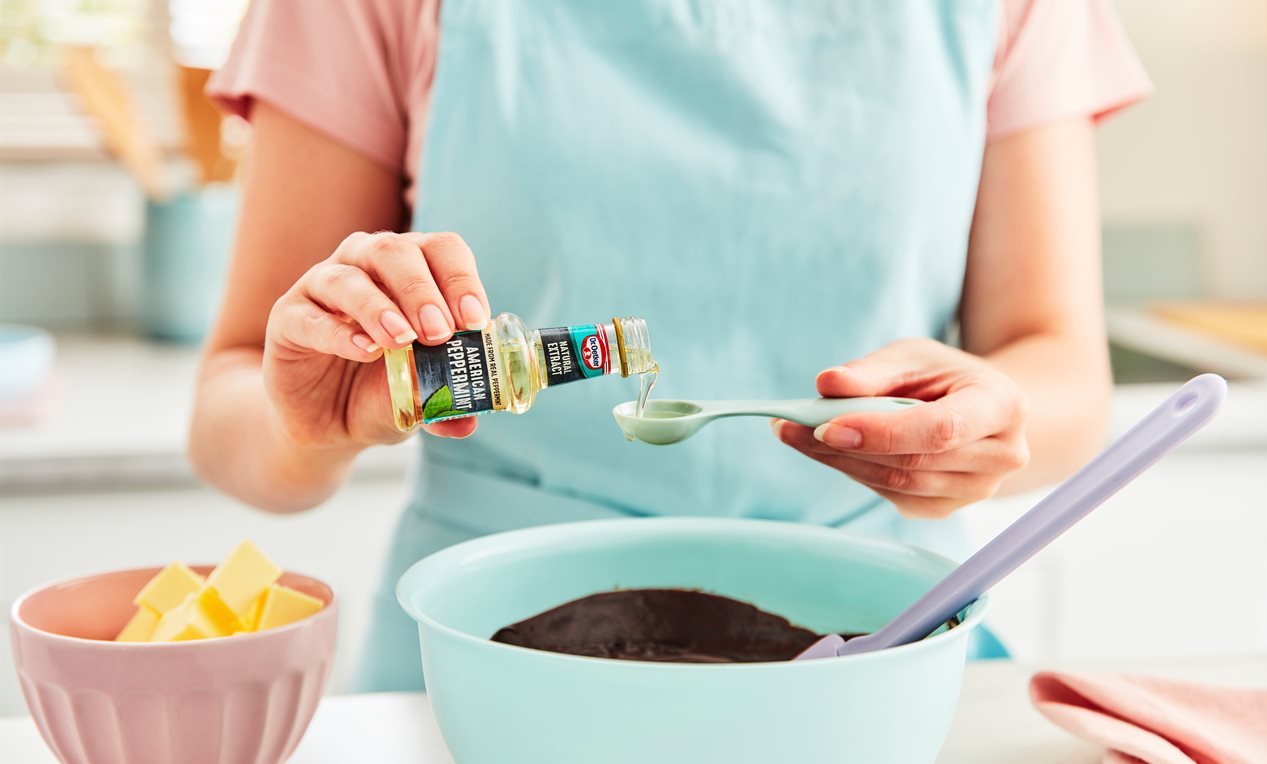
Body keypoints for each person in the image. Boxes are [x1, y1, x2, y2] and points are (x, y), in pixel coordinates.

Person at [192, 0, 1150, 689]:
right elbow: (230, 407)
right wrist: (305, 422)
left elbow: (1059, 366)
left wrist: (984, 424)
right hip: (488, 663)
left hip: (874, 646)